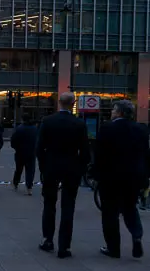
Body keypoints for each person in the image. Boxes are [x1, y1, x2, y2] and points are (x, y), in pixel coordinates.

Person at [36, 92, 90, 258]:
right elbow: (85, 151)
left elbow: (39, 148)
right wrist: (80, 169)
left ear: (59, 103)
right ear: (73, 103)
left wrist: (44, 167)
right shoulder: (79, 124)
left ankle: (48, 240)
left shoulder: (48, 121)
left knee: (49, 204)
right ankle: (64, 246)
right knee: (68, 206)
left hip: (52, 166)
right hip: (71, 167)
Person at [93, 100, 148, 259]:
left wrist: (97, 175)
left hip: (111, 178)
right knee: (130, 208)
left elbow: (100, 155)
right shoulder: (141, 129)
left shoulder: (107, 128)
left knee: (110, 213)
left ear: (120, 113)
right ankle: (137, 235)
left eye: (114, 110)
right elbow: (146, 155)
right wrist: (145, 177)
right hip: (133, 177)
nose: (111, 112)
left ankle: (113, 248)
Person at [10, 113, 37, 195]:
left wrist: (16, 148)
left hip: (20, 153)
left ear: (22, 119)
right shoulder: (34, 129)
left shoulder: (19, 129)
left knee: (18, 169)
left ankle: (15, 183)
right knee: (30, 171)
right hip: (31, 153)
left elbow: (13, 141)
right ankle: (29, 187)